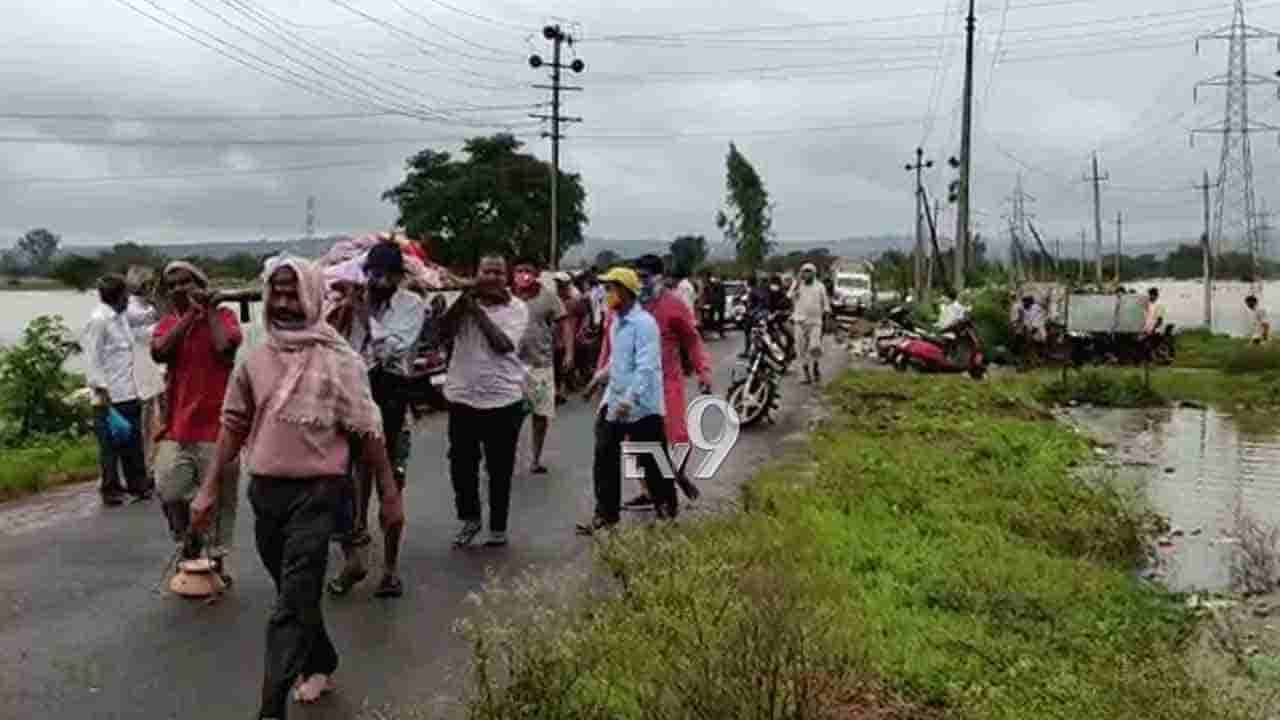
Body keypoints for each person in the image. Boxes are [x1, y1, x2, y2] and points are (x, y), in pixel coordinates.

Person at [190, 257, 402, 719]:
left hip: (320, 494)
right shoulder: (254, 353)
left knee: (289, 604)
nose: (284, 303)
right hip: (266, 492)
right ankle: (320, 659)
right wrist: (207, 490)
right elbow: (233, 423)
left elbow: (369, 430)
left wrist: (389, 494)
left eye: (293, 294)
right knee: (294, 593)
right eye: (277, 293)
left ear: (312, 296)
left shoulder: (339, 360)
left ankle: (270, 709)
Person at [328, 242, 424, 598]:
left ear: (398, 277)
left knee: (390, 487)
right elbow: (336, 348)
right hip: (355, 399)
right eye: (371, 274)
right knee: (348, 488)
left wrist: (364, 312)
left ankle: (390, 569)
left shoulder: (411, 305)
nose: (376, 281)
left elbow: (392, 349)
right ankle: (353, 561)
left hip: (392, 401)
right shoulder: (353, 304)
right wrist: (343, 312)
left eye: (383, 275)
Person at [151, 261, 244, 582]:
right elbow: (160, 352)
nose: (179, 289)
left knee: (220, 499)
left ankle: (216, 562)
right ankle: (189, 537)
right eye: (172, 285)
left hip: (219, 427)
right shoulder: (168, 324)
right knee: (169, 489)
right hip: (177, 427)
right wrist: (191, 315)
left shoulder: (225, 317)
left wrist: (210, 311)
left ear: (200, 285)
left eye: (186, 282)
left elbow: (224, 348)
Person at [439, 254, 529, 548]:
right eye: (486, 272)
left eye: (498, 272)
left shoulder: (517, 308)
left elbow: (503, 345)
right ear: (477, 274)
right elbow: (440, 333)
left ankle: (498, 527)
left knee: (499, 468)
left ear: (507, 277)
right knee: (461, 465)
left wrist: (476, 311)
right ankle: (470, 518)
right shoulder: (464, 303)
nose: (492, 277)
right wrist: (462, 302)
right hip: (462, 397)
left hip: (504, 401)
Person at [577, 267, 674, 534]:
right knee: (604, 455)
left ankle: (666, 508)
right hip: (615, 400)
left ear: (626, 291)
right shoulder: (616, 322)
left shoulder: (644, 324)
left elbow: (646, 367)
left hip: (642, 405)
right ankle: (606, 514)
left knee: (651, 459)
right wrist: (597, 379)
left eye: (611, 289)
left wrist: (630, 400)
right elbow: (617, 360)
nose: (606, 294)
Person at [612, 255, 711, 510]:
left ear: (660, 278)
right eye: (636, 278)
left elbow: (692, 340)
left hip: (667, 382)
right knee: (634, 441)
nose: (640, 283)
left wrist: (703, 372)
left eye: (644, 278)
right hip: (634, 385)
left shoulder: (674, 305)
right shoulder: (626, 306)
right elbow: (609, 342)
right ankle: (649, 491)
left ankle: (672, 476)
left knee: (677, 435)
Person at [83, 274, 152, 506]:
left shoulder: (120, 317)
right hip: (109, 395)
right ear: (119, 296)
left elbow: (142, 323)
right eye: (126, 295)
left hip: (128, 390)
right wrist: (101, 391)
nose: (128, 300)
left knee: (133, 441)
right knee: (110, 446)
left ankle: (138, 484)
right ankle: (111, 489)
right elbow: (92, 359)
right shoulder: (99, 321)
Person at [512, 259, 569, 475]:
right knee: (511, 416)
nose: (523, 274)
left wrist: (569, 352)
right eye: (519, 270)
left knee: (540, 414)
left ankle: (535, 459)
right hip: (512, 366)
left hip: (540, 365)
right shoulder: (507, 297)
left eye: (527, 270)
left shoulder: (549, 297)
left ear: (536, 273)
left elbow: (564, 323)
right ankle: (505, 455)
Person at [789, 263, 831, 385]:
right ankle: (806, 372)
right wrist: (796, 283)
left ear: (814, 273)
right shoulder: (798, 285)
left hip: (815, 322)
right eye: (804, 271)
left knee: (814, 347)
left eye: (808, 271)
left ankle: (815, 366)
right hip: (799, 322)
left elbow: (826, 304)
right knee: (800, 349)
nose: (806, 274)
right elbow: (789, 296)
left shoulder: (820, 286)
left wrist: (827, 318)